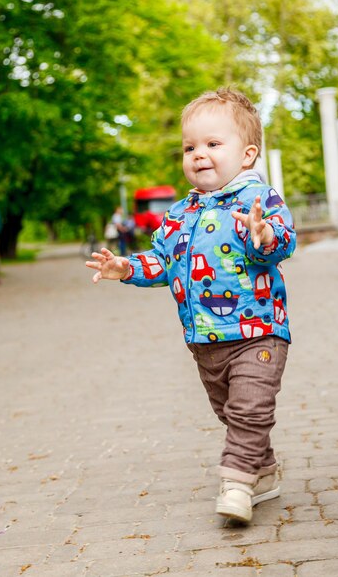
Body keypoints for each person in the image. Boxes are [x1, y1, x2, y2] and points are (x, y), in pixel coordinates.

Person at [86, 88, 296, 523]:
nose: (199, 154)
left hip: (259, 331)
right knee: (231, 412)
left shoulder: (257, 201)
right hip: (204, 340)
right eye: (190, 147)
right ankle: (265, 471)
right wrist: (126, 267)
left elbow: (279, 241)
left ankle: (237, 484)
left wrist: (263, 235)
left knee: (248, 409)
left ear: (247, 155)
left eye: (213, 144)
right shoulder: (180, 213)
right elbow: (162, 259)